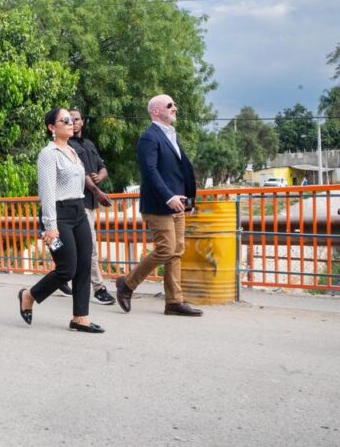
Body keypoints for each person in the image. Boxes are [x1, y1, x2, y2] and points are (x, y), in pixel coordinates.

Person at [115, 94, 203, 317]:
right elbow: (150, 171)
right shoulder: (149, 137)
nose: (175, 107)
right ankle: (127, 284)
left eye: (175, 104)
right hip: (159, 205)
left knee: (176, 252)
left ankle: (174, 302)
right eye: (170, 105)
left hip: (179, 204)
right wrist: (168, 197)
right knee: (166, 249)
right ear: (155, 111)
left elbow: (182, 170)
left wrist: (189, 199)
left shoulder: (171, 135)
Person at [17, 109, 103, 333]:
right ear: (52, 128)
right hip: (57, 215)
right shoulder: (49, 154)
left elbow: (79, 183)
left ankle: (80, 318)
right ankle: (29, 295)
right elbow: (47, 192)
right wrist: (50, 227)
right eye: (64, 120)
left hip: (78, 211)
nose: (70, 122)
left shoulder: (74, 152)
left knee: (84, 264)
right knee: (67, 268)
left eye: (72, 119)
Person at [66, 109, 116, 306]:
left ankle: (62, 277)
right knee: (90, 247)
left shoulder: (89, 144)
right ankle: (98, 288)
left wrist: (100, 177)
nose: (73, 123)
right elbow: (80, 174)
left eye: (76, 119)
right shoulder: (65, 146)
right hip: (76, 202)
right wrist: (97, 190)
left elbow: (102, 167)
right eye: (69, 120)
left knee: (79, 248)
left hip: (90, 203)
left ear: (83, 122)